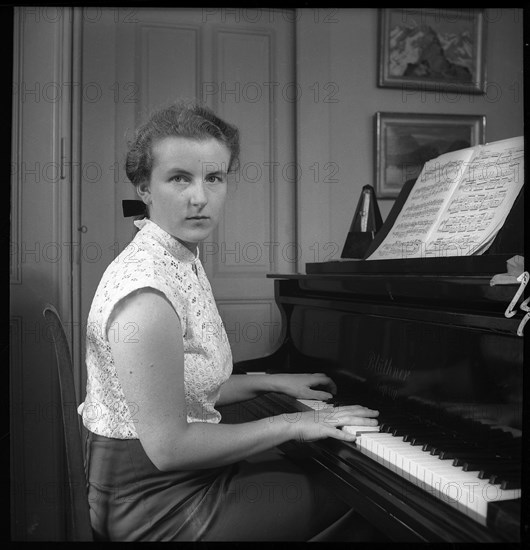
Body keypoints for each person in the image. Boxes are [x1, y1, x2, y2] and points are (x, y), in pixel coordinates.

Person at [78, 101, 381, 541]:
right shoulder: (146, 294)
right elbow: (169, 448)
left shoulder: (177, 258)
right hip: (154, 503)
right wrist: (296, 423)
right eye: (179, 177)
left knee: (338, 470)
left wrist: (273, 383)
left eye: (214, 177)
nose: (200, 197)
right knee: (366, 492)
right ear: (144, 188)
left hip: (184, 477)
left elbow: (187, 388)